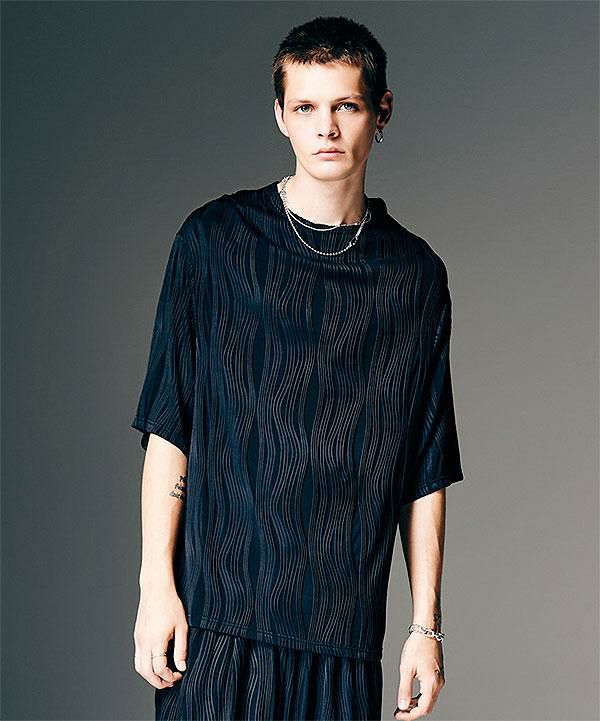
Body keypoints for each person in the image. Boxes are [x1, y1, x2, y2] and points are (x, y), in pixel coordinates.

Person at [131, 14, 464, 721]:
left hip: (341, 637)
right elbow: (170, 425)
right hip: (215, 623)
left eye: (346, 106)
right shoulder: (214, 243)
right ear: (281, 115)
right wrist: (155, 585)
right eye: (306, 108)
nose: (326, 129)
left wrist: (425, 627)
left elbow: (426, 464)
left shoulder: (414, 278)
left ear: (381, 112)